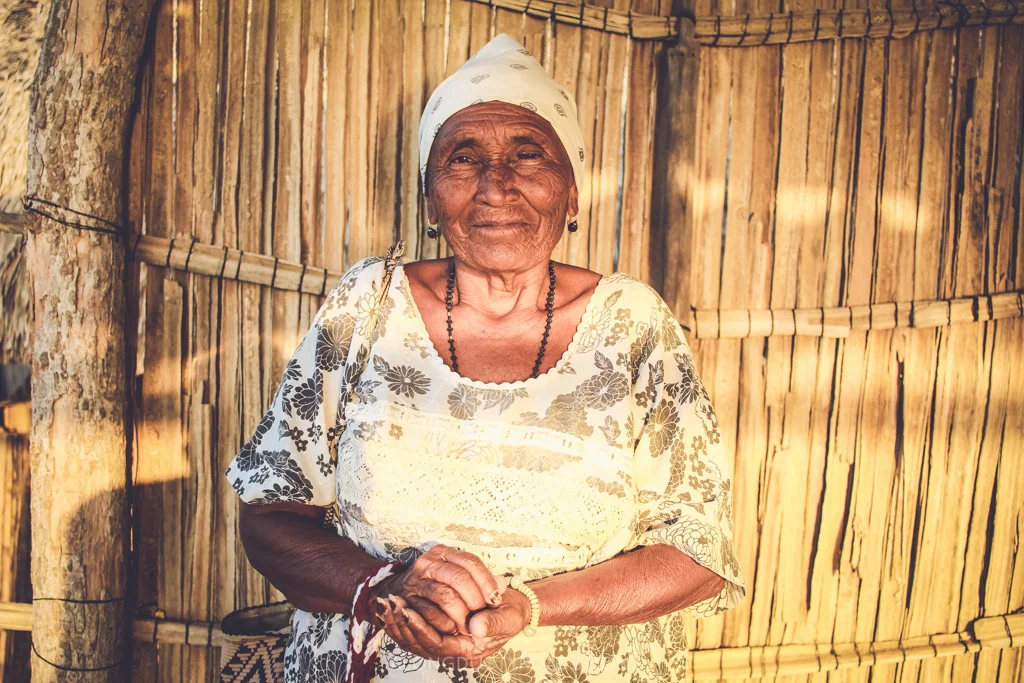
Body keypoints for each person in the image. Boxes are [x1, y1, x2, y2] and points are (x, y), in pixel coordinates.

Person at [225, 33, 746, 683]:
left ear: (572, 192)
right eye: (463, 158)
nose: (496, 185)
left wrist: (523, 608)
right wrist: (382, 585)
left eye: (529, 155)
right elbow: (272, 514)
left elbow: (697, 553)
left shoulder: (633, 325)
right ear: (431, 197)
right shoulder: (366, 306)